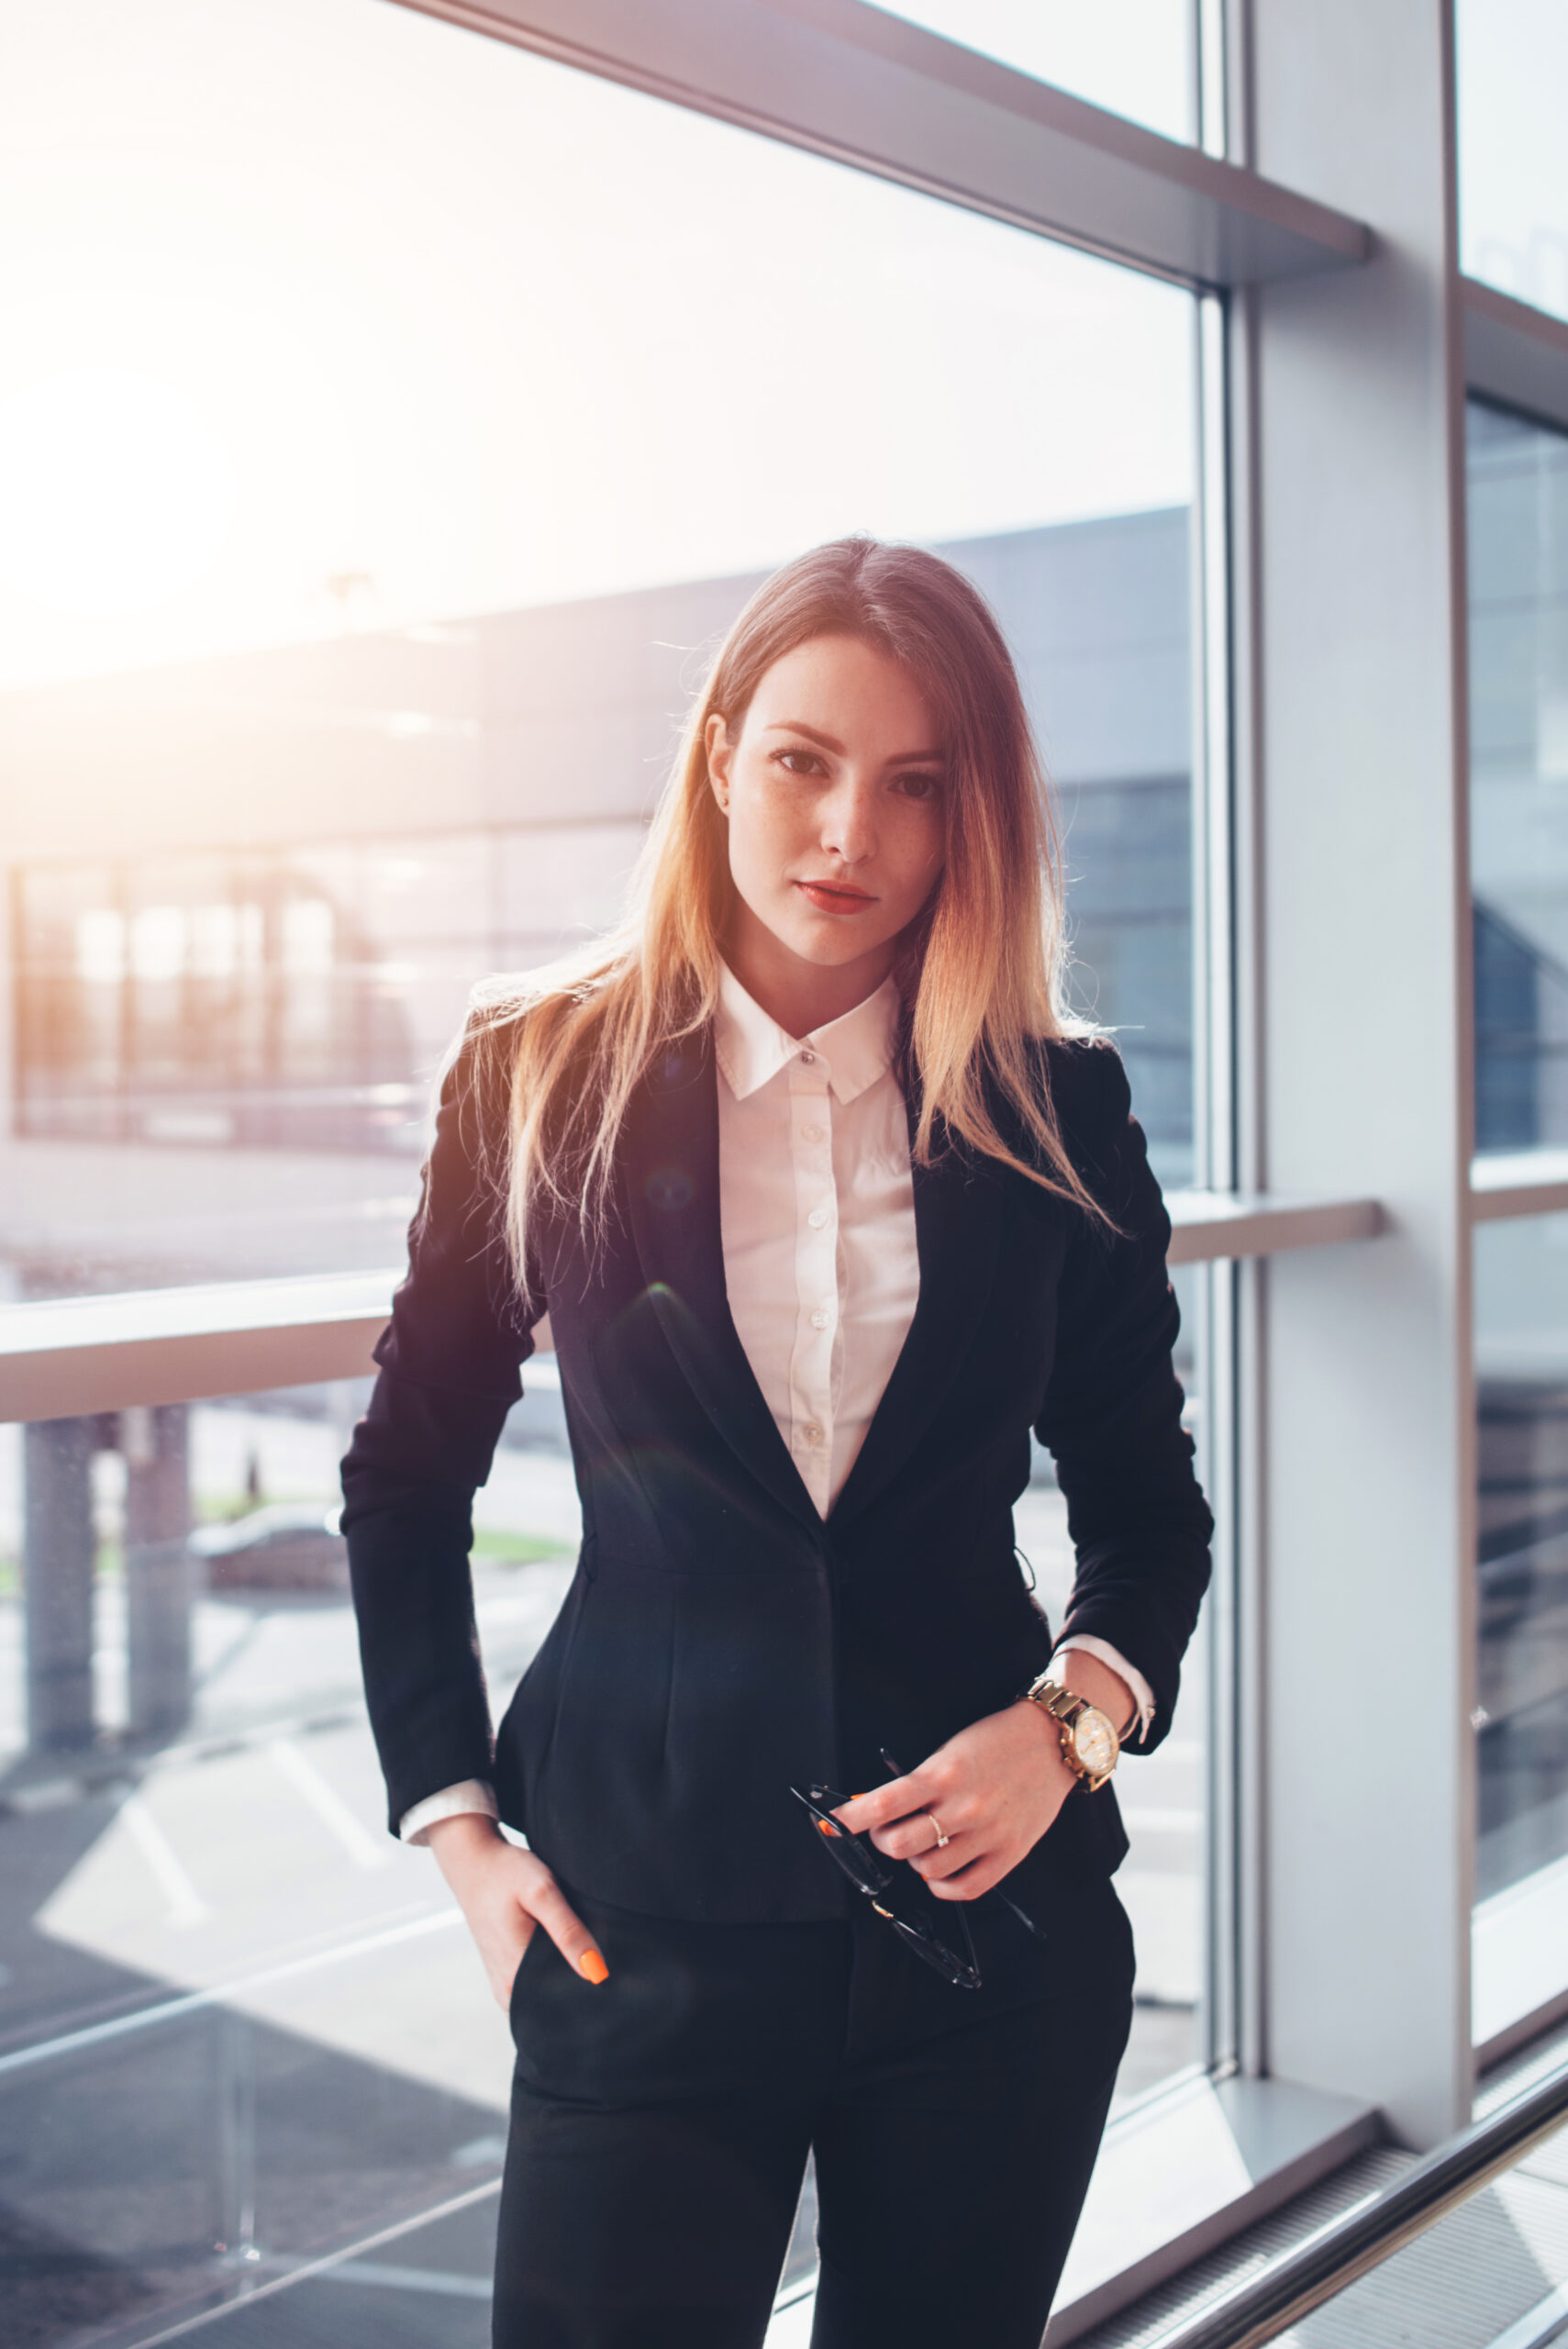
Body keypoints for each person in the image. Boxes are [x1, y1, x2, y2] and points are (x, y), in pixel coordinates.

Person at [340, 536, 1213, 2349]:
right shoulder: (538, 1067)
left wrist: (1068, 1731)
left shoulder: (1060, 1105)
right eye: (804, 761)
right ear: (722, 752)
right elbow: (408, 1474)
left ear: (974, 815)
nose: (850, 835)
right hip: (630, 1925)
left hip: (997, 1945)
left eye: (915, 785)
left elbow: (1146, 1506)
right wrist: (457, 1826)